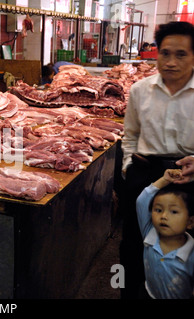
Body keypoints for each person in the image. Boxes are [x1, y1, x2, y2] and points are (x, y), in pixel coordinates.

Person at [119, 21, 194, 299]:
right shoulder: (140, 90)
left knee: (186, 247)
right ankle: (129, 293)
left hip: (189, 178)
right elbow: (130, 135)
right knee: (134, 245)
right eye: (165, 53)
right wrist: (129, 169)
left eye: (181, 54)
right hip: (146, 174)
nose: (171, 62)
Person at [136, 169, 194, 299]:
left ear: (190, 222)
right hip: (148, 294)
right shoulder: (149, 233)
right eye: (158, 210)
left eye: (173, 211)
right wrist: (164, 180)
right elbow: (142, 201)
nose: (164, 216)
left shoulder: (191, 254)